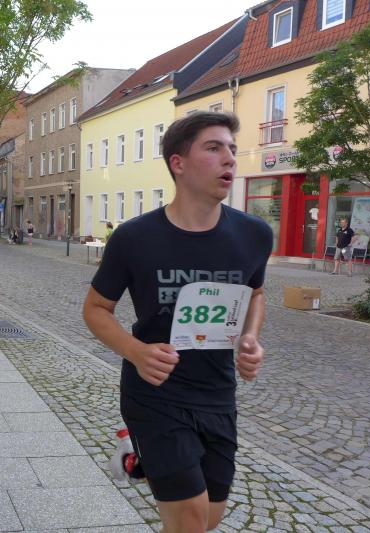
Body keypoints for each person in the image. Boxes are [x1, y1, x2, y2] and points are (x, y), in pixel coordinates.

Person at [83, 112, 272, 533]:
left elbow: (256, 293)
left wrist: (251, 338)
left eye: (232, 149)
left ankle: (138, 459)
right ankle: (147, 450)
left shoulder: (254, 235)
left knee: (207, 519)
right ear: (178, 163)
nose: (229, 158)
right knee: (189, 515)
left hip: (217, 393)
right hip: (155, 392)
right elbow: (95, 308)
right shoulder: (135, 238)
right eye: (213, 148)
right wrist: (135, 351)